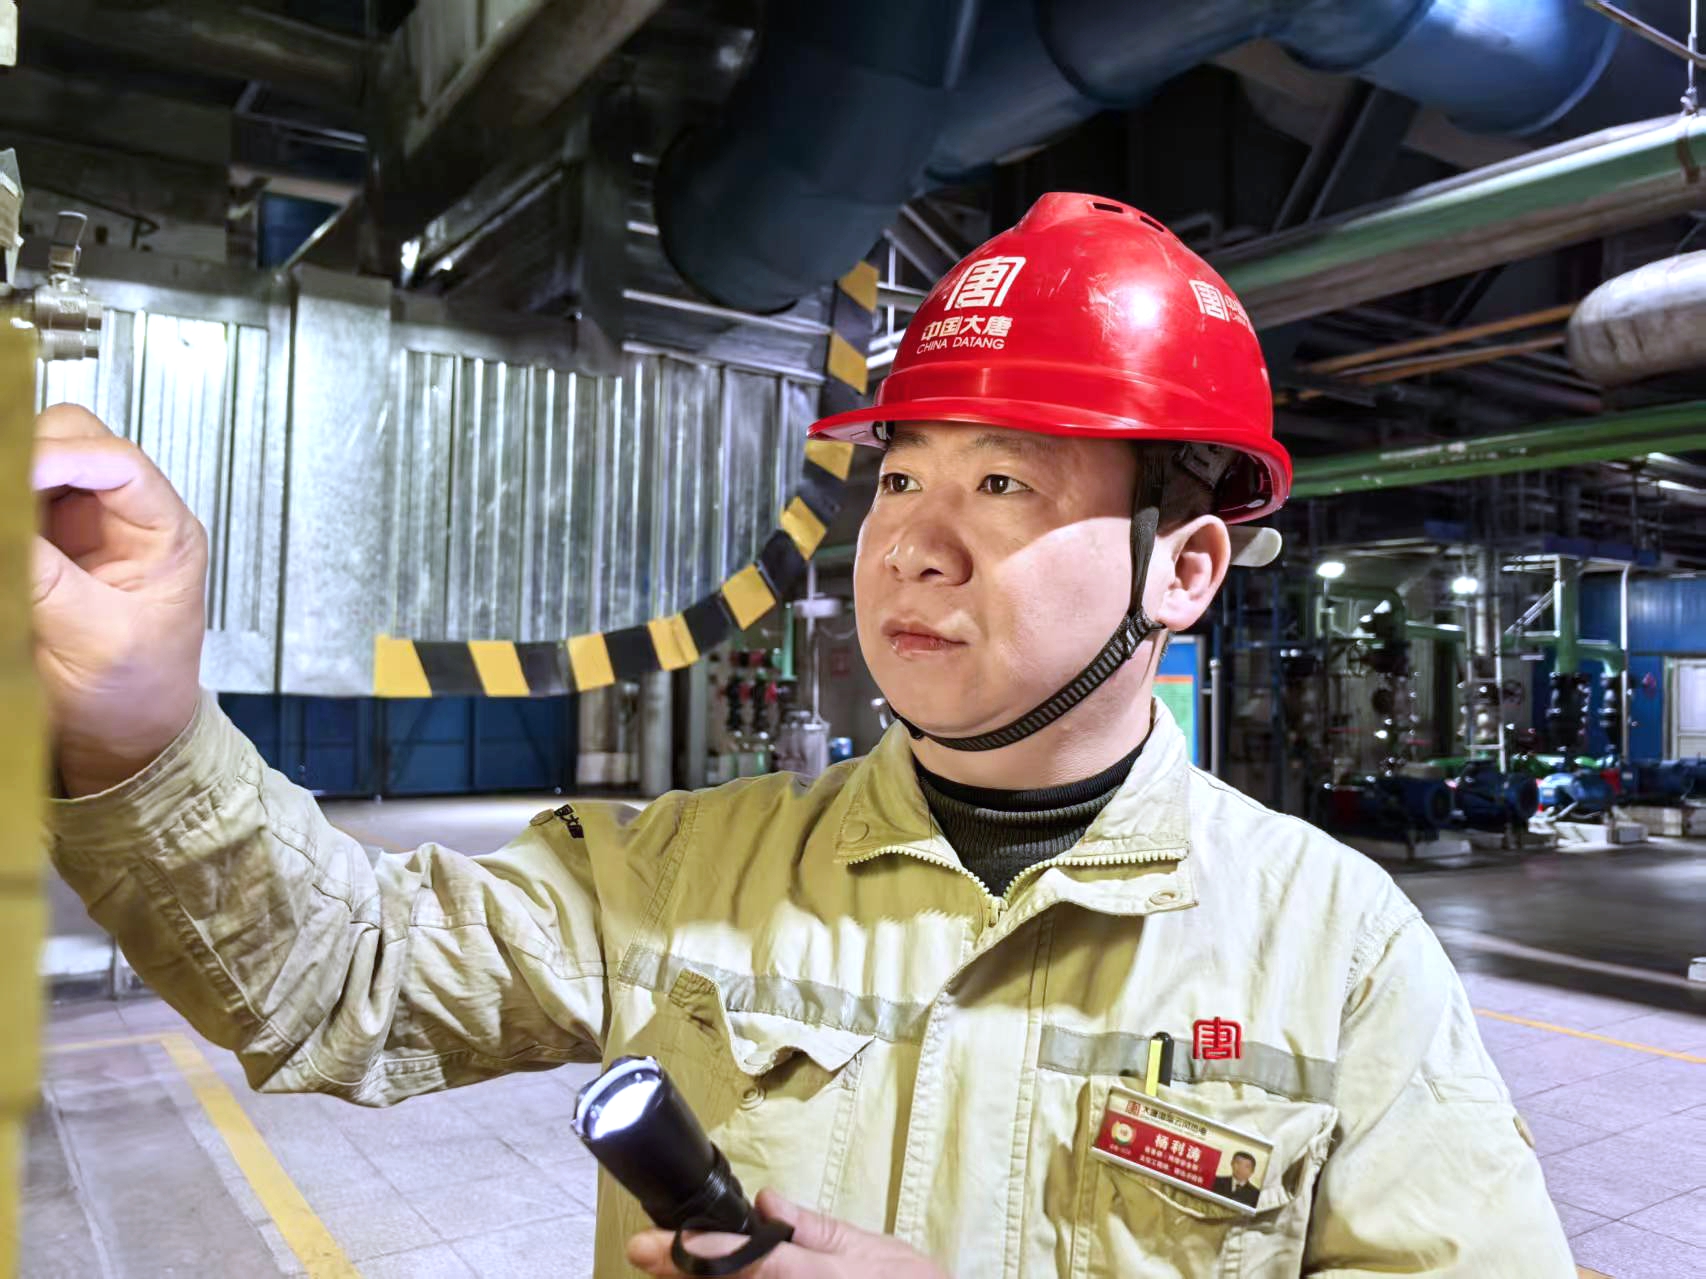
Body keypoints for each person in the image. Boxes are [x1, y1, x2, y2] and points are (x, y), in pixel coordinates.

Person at [38, 193, 1575, 1278]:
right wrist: (139, 729)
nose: (907, 545)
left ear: (1180, 568)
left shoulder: (1334, 951)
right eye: (899, 478)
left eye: (1003, 484)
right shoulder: (684, 871)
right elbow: (339, 977)